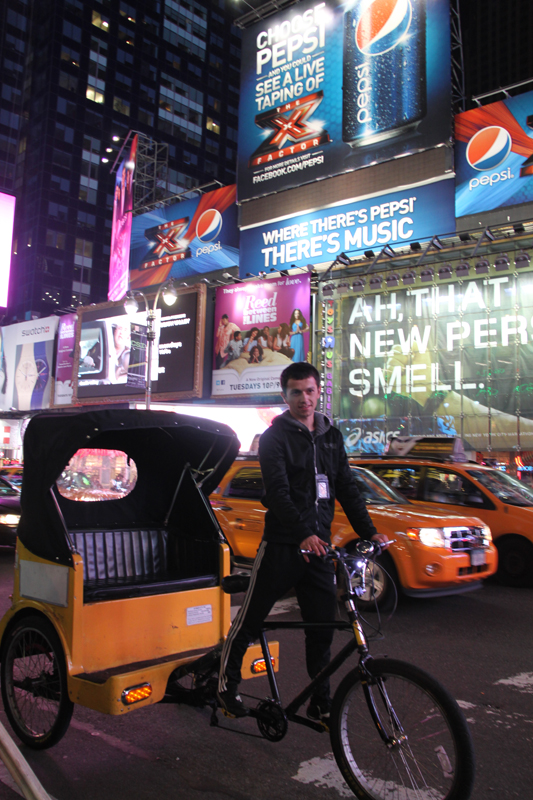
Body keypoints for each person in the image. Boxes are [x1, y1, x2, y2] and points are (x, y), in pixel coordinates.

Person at [217, 361, 389, 719]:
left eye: (310, 391)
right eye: (296, 392)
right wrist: (303, 534)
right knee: (250, 620)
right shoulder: (275, 437)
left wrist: (369, 530)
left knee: (322, 629)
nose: (304, 399)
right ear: (285, 396)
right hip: (282, 545)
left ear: (317, 392)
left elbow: (346, 488)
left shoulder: (331, 437)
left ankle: (320, 700)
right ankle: (226, 687)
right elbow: (278, 494)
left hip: (319, 548)